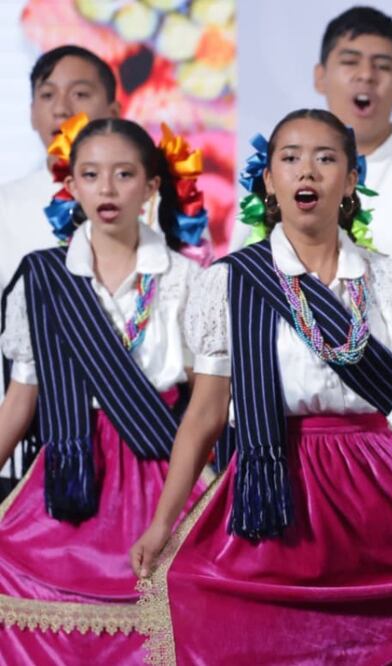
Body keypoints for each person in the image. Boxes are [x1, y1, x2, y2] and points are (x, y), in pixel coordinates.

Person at [130, 109, 392, 665]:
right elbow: (204, 417)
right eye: (290, 159)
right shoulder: (229, 282)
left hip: (377, 490)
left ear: (350, 181)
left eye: (326, 159)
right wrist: (162, 523)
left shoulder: (390, 282)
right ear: (269, 180)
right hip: (273, 492)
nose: (308, 172)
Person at [0, 118, 210, 663]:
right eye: (90, 175)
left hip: (163, 468)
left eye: (124, 174)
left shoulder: (185, 281)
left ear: (152, 186)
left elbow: (206, 403)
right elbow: (21, 400)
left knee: (179, 608)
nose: (107, 189)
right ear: (72, 186)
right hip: (73, 473)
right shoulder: (44, 278)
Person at [313, 6, 392, 258]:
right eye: (350, 62)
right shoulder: (282, 173)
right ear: (321, 77)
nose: (367, 75)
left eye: (382, 66)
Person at [0, 45, 120, 295]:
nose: (61, 110)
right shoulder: (5, 206)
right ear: (32, 114)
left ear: (113, 113)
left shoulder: (156, 199)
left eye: (80, 94)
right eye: (47, 95)